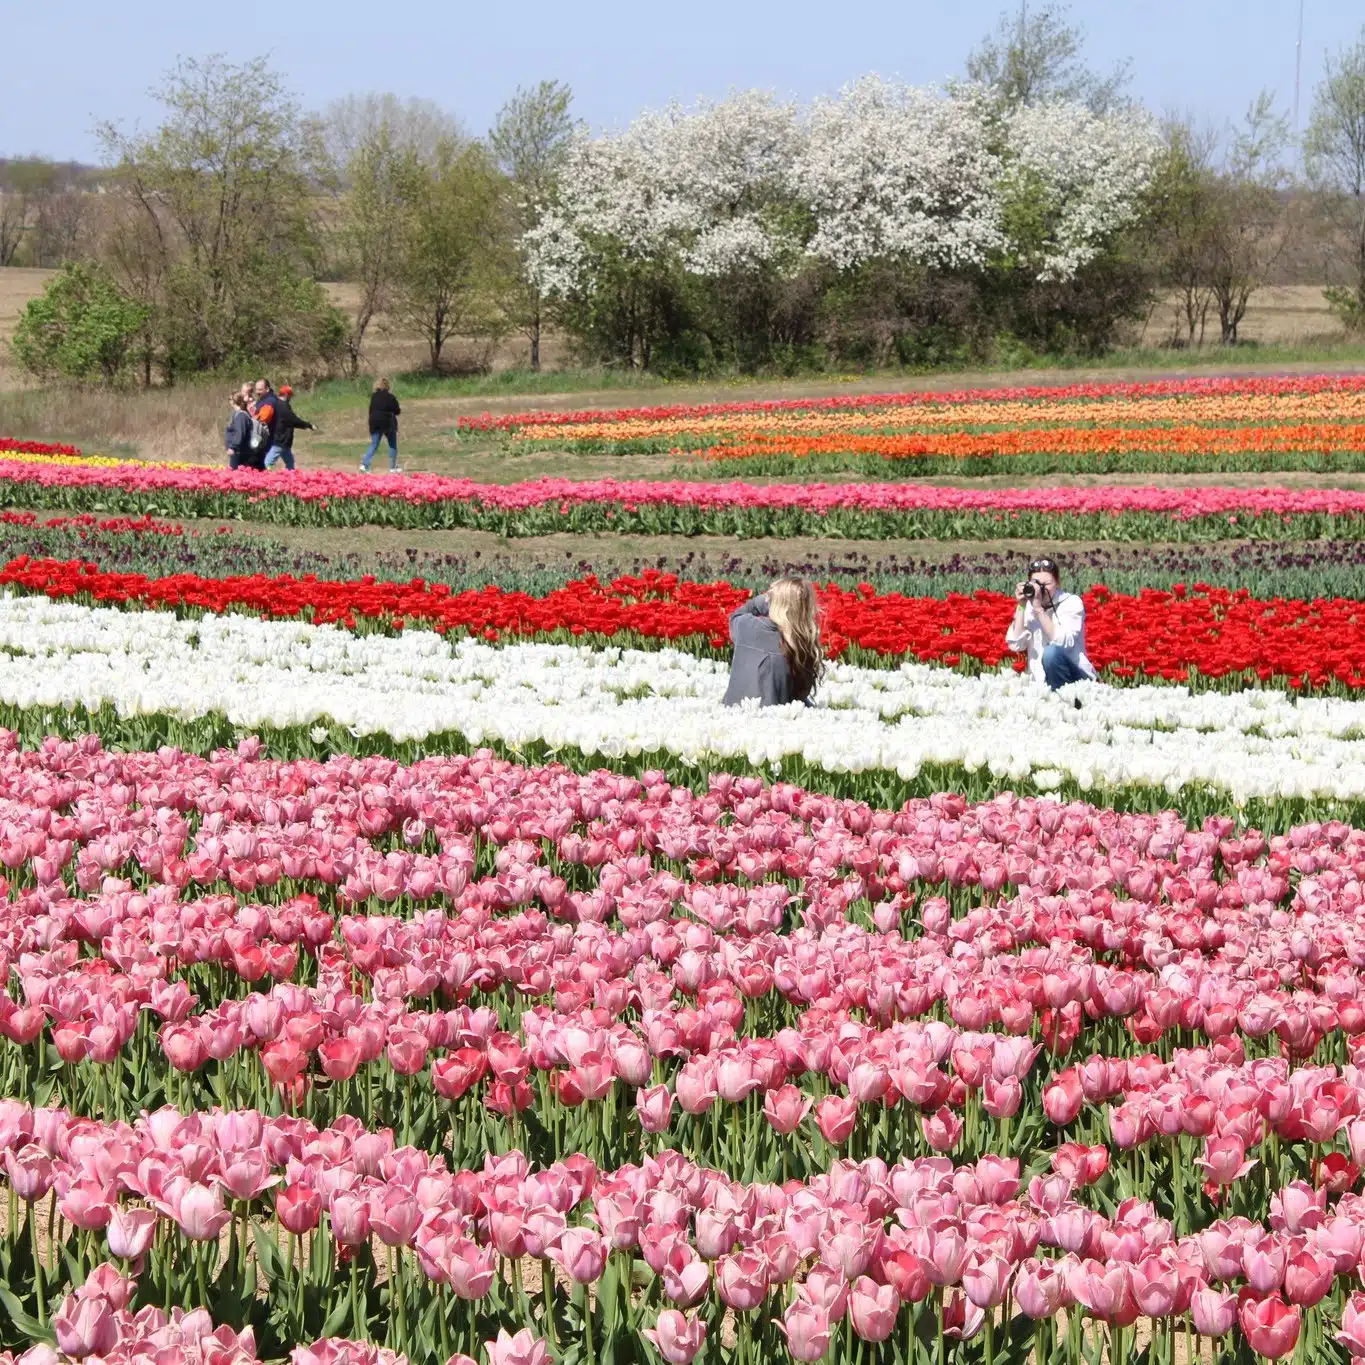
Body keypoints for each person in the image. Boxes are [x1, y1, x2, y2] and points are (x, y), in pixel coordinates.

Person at [723, 577, 824, 707]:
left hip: (733, 713)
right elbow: (800, 695)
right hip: (776, 719)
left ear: (772, 603)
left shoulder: (747, 626)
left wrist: (760, 602)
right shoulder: (801, 644)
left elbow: (735, 616)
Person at [1006, 555, 1097, 690]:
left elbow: (1064, 642)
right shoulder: (1029, 605)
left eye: (1047, 584)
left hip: (1077, 678)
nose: (1041, 589)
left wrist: (1039, 610)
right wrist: (1021, 606)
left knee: (1051, 653)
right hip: (1041, 682)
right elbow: (1016, 645)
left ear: (1058, 583)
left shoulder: (1071, 602)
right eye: (1036, 583)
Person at [263, 385, 315, 471]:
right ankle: (264, 475)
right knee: (268, 462)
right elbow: (293, 420)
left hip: (284, 440)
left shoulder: (278, 404)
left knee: (290, 464)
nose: (291, 397)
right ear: (287, 395)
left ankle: (291, 478)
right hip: (281, 439)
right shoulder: (283, 406)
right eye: (290, 395)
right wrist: (308, 425)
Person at [361, 377, 402, 473]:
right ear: (388, 386)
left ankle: (364, 464)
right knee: (392, 444)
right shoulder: (390, 397)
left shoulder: (374, 396)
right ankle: (392, 467)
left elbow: (371, 410)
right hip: (387, 422)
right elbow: (397, 411)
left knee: (374, 444)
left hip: (374, 421)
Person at [225, 394, 252, 469]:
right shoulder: (238, 414)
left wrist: (233, 447)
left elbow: (239, 433)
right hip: (238, 451)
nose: (229, 401)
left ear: (234, 401)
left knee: (236, 473)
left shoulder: (241, 416)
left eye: (229, 399)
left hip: (239, 451)